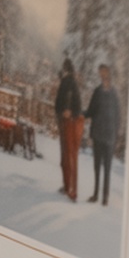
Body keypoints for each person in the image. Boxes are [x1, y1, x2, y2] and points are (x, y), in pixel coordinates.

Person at [84, 63, 121, 206]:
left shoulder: (114, 94)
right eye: (101, 73)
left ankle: (105, 198)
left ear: (109, 74)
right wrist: (80, 114)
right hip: (98, 136)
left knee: (107, 169)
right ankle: (95, 195)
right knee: (97, 167)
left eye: (104, 72)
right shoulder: (97, 92)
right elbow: (91, 111)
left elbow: (118, 116)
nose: (102, 75)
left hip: (110, 138)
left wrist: (116, 136)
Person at [54, 57, 82, 202]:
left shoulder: (69, 81)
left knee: (68, 156)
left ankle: (71, 190)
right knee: (67, 156)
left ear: (66, 69)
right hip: (69, 122)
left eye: (63, 68)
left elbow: (69, 101)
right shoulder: (70, 81)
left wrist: (67, 110)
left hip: (69, 122)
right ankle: (68, 188)